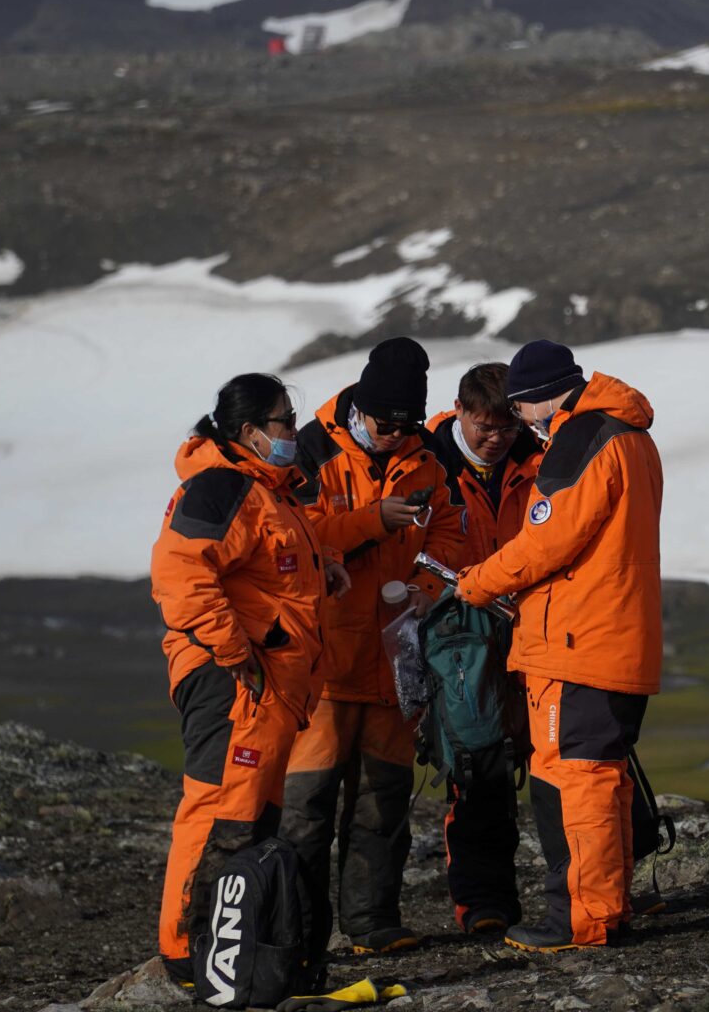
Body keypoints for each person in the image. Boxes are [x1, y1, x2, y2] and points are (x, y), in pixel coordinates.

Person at [456, 340, 664, 953]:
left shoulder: (581, 438)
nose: (522, 425)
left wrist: (477, 581)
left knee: (577, 781)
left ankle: (582, 917)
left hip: (579, 640)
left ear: (530, 400)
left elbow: (547, 541)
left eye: (520, 411)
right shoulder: (629, 434)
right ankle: (608, 906)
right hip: (616, 636)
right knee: (601, 775)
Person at [151, 373, 349, 988]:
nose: (294, 432)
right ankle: (189, 953)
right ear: (248, 433)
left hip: (266, 683)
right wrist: (235, 651)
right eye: (283, 422)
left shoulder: (270, 489)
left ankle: (228, 949)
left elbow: (269, 570)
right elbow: (180, 574)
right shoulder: (223, 486)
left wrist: (326, 574)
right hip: (231, 677)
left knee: (250, 815)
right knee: (218, 809)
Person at [281, 337, 461, 956]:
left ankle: (373, 923)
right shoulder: (308, 452)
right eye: (387, 424)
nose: (395, 434)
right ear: (360, 407)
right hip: (324, 668)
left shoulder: (429, 459)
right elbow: (292, 539)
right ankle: (297, 933)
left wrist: (426, 586)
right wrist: (373, 520)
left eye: (407, 424)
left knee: (383, 805)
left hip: (392, 663)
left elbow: (450, 538)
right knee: (306, 811)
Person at [423, 362, 544, 935]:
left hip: (529, 627)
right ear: (459, 411)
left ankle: (578, 889)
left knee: (550, 760)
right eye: (484, 427)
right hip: (459, 640)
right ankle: (484, 903)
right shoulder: (427, 464)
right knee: (476, 767)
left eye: (506, 428)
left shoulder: (539, 458)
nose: (496, 439)